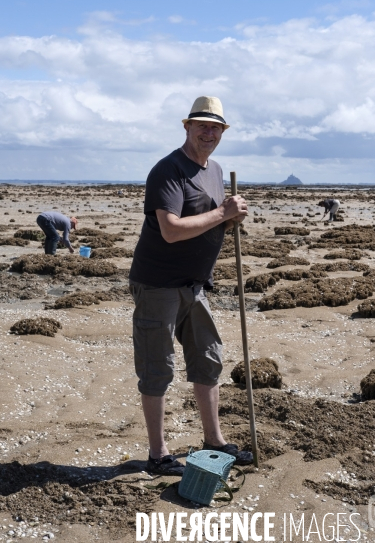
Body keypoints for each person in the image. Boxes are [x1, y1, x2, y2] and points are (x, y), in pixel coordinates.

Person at [129, 96, 253, 475]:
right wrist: (222, 213)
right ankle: (158, 454)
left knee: (208, 359)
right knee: (157, 368)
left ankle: (213, 440)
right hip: (158, 284)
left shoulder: (214, 170)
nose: (208, 132)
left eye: (215, 127)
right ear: (186, 127)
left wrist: (231, 220)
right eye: (201, 125)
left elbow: (211, 219)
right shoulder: (168, 170)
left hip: (196, 285)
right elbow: (170, 230)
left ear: (222, 133)